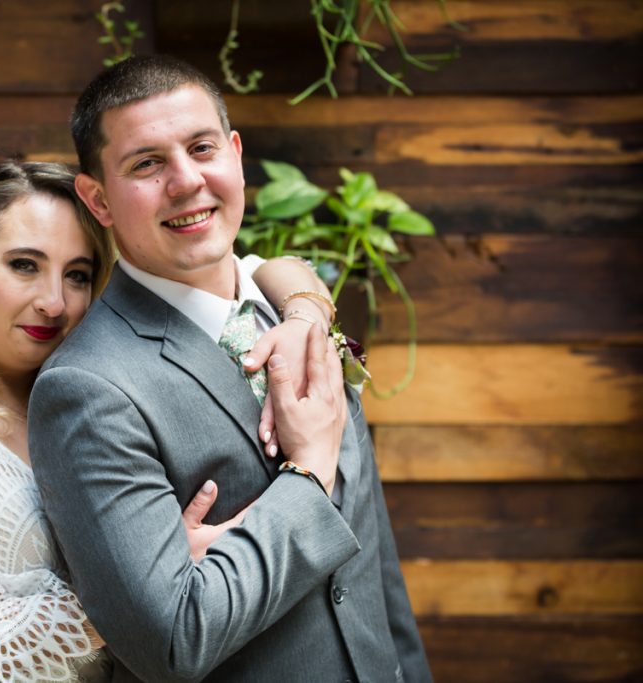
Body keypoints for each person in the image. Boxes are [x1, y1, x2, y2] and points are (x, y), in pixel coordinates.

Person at [0, 160, 328, 681]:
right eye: (24, 265)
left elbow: (258, 268)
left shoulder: (91, 400)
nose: (54, 303)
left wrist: (305, 310)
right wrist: (144, 585)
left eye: (77, 275)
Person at [27, 55, 433, 682]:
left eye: (201, 148)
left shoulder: (297, 312)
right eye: (147, 163)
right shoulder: (86, 388)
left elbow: (371, 567)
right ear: (98, 199)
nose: (186, 181)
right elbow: (172, 643)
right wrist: (309, 474)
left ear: (236, 154)